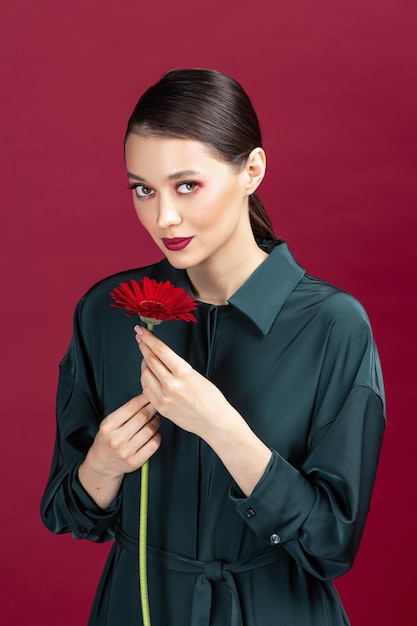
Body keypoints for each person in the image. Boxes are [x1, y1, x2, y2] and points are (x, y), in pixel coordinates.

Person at [41, 68, 385, 625]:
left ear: (252, 170)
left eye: (187, 185)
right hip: (137, 606)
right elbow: (67, 512)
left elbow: (330, 543)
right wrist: (102, 465)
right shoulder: (108, 311)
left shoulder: (332, 325)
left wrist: (221, 428)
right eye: (142, 189)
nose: (163, 217)